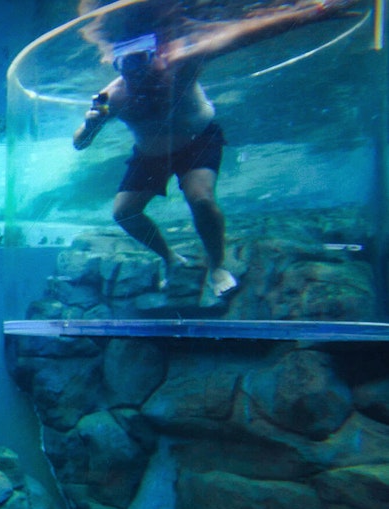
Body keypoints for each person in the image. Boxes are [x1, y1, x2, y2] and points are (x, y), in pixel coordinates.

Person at [73, 0, 359, 300]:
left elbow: (246, 34)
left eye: (141, 61)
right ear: (116, 65)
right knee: (125, 214)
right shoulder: (109, 97)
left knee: (202, 199)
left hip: (198, 139)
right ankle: (170, 259)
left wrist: (315, 13)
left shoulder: (182, 63)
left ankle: (218, 266)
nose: (137, 73)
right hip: (151, 154)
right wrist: (91, 125)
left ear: (157, 54)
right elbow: (80, 142)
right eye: (125, 66)